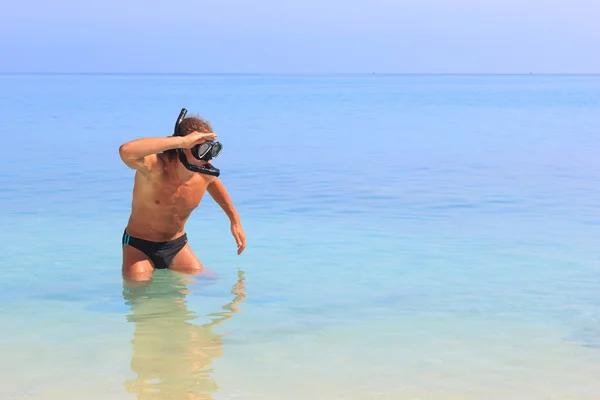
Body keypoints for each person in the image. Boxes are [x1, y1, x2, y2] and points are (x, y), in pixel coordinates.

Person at [118, 111, 246, 281]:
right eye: (202, 149)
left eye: (212, 149)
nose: (207, 157)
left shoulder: (203, 173)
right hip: (138, 247)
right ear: (183, 147)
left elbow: (214, 184)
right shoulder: (154, 168)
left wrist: (234, 220)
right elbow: (126, 151)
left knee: (211, 283)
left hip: (176, 246)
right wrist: (180, 141)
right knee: (140, 295)